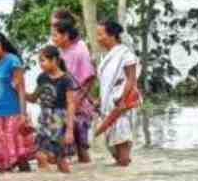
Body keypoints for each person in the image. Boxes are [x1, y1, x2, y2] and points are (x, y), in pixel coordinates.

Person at [0, 31, 34, 172]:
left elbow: (21, 90)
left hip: (14, 112)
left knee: (19, 154)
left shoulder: (12, 61)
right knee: (2, 156)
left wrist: (23, 115)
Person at [50, 11, 97, 164]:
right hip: (61, 105)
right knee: (57, 145)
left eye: (55, 30)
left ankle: (86, 178)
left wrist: (76, 103)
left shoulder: (79, 49)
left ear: (66, 33)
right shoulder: (58, 50)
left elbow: (89, 78)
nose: (52, 36)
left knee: (81, 147)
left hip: (78, 107)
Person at [95, 19, 140, 167]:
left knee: (123, 158)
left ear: (112, 35)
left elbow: (131, 79)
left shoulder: (126, 54)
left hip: (121, 108)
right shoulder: (105, 56)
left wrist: (121, 98)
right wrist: (99, 100)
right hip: (107, 108)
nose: (98, 38)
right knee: (116, 155)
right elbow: (106, 83)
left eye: (101, 34)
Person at [26, 46, 77, 173]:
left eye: (43, 60)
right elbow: (33, 98)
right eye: (39, 61)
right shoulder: (42, 78)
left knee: (59, 157)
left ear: (54, 60)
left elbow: (71, 104)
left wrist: (69, 130)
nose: (40, 64)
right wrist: (18, 90)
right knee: (41, 155)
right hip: (44, 118)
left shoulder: (66, 79)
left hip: (59, 119)